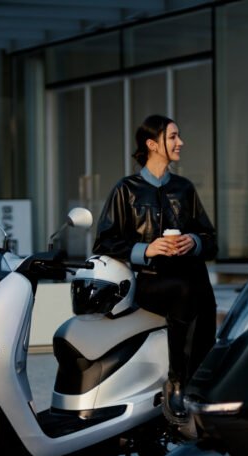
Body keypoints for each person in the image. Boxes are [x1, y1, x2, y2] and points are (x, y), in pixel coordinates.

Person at [93, 114, 218, 422]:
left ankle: (199, 380)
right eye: (173, 137)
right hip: (148, 280)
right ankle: (179, 382)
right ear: (152, 144)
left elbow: (211, 240)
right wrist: (145, 249)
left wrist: (193, 242)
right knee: (188, 289)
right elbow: (104, 242)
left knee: (198, 288)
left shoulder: (184, 189)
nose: (180, 142)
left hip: (187, 279)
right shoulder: (126, 189)